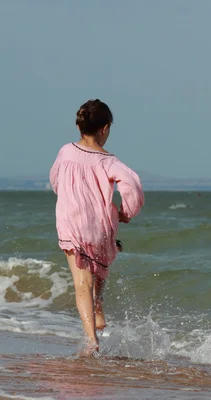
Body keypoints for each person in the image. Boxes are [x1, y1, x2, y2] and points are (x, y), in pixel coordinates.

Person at [49, 99, 144, 355]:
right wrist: (125, 213)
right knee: (99, 269)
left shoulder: (65, 151)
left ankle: (91, 340)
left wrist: (69, 195)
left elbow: (55, 179)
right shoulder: (110, 161)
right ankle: (98, 305)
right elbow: (133, 186)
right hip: (100, 225)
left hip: (72, 223)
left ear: (80, 127)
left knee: (82, 282)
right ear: (104, 128)